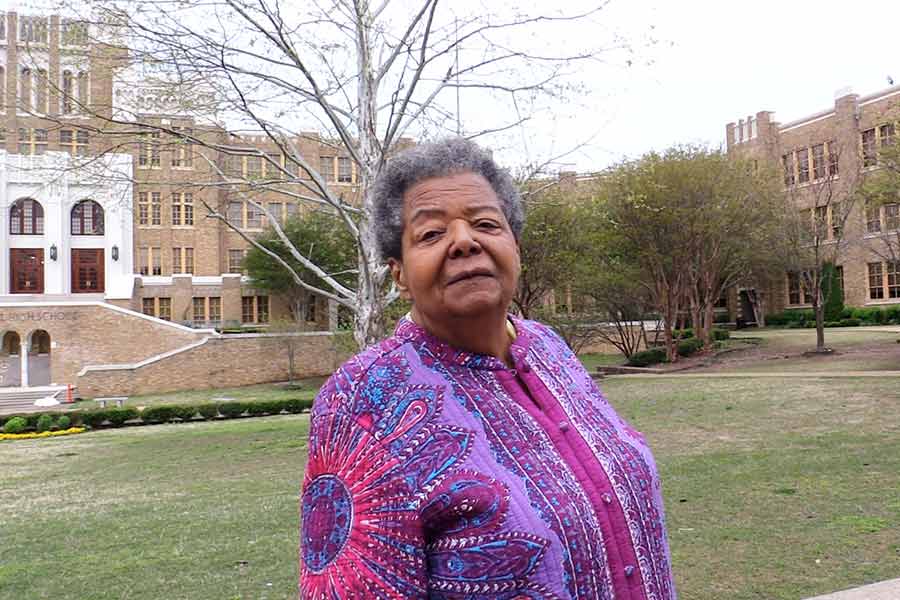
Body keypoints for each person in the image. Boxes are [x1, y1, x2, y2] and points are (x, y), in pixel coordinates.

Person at [299, 138, 677, 599]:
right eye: (432, 234)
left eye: (484, 223)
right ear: (398, 273)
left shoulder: (549, 349)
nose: (464, 241)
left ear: (514, 246)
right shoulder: (361, 398)